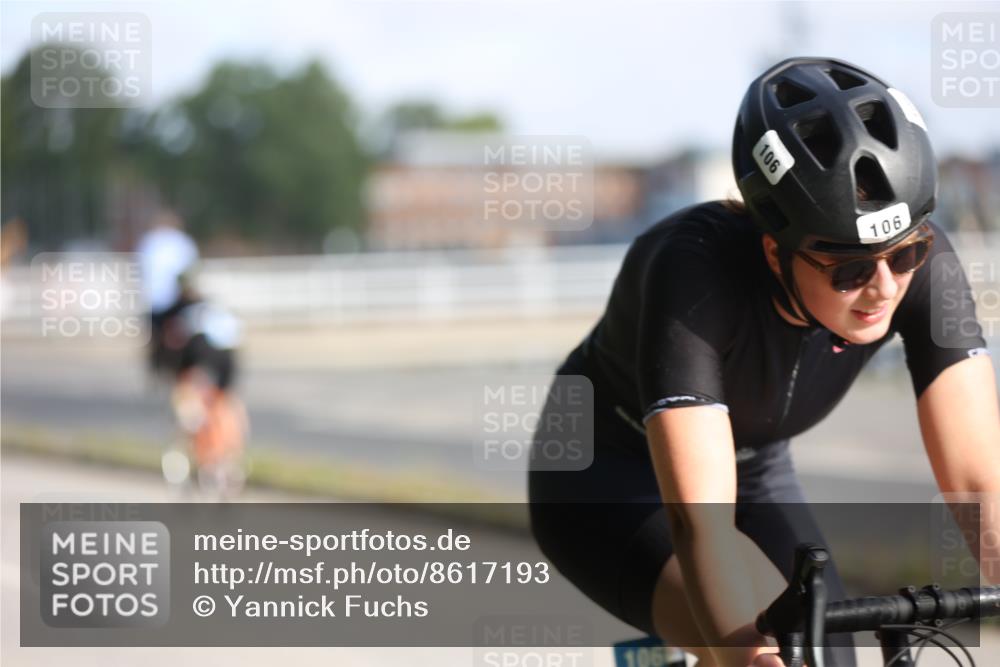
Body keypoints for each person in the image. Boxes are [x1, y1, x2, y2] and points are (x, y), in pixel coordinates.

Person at [528, 57, 1000, 667]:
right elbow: (700, 522)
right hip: (609, 479)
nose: (885, 286)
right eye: (851, 268)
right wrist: (740, 652)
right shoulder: (694, 272)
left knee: (832, 653)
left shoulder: (925, 265)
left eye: (905, 254)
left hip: (755, 470)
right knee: (774, 652)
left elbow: (976, 480)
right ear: (776, 253)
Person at [136, 210, 200, 376]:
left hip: (154, 298)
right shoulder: (182, 242)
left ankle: (157, 366)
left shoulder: (149, 241)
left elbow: (141, 269)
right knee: (179, 333)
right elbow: (189, 271)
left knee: (156, 335)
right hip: (174, 298)